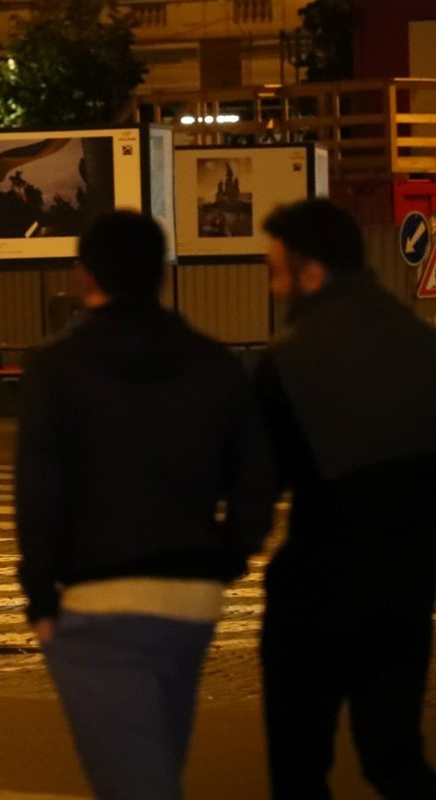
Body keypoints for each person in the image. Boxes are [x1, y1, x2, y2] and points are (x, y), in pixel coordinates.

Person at [14, 210, 276, 800]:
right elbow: (255, 476)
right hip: (192, 599)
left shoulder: (56, 367)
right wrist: (229, 554)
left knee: (136, 784)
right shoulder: (213, 361)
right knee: (157, 762)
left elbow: (40, 490)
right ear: (161, 273)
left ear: (86, 276)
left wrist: (39, 595)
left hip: (98, 599)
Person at [254, 198, 436, 800]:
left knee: (300, 768)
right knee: (393, 757)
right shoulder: (422, 345)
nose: (274, 285)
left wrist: (221, 555)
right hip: (406, 589)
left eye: (276, 269)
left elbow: (258, 484)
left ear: (311, 273)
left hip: (317, 589)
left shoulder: (287, 362)